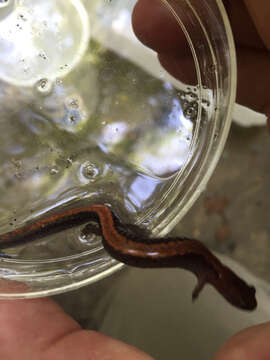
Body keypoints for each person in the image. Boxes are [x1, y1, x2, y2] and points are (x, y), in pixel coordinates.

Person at [0, 1, 269, 359]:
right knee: (133, 267)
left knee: (133, 269)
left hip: (119, 238)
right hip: (118, 234)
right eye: (239, 294)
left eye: (239, 295)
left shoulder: (206, 267)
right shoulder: (206, 268)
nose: (236, 295)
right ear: (222, 286)